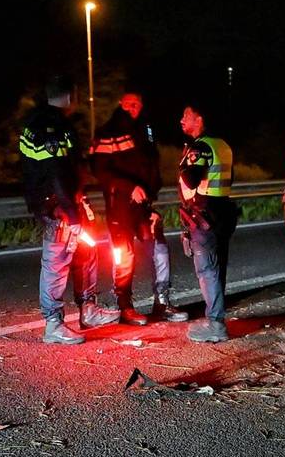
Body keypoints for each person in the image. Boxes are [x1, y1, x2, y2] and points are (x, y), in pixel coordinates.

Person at [20, 75, 120, 344]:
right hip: (57, 207)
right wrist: (69, 211)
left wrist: (79, 201)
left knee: (87, 251)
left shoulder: (45, 123)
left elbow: (67, 170)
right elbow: (55, 172)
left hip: (69, 201)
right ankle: (53, 324)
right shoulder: (50, 127)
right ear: (69, 97)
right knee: (57, 261)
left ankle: (88, 310)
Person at [92, 92, 189, 325]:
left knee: (160, 250)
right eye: (129, 104)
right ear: (120, 103)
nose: (133, 108)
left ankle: (162, 302)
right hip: (120, 206)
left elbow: (151, 165)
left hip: (145, 205)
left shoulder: (146, 129)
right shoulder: (107, 131)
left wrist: (151, 197)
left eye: (137, 104)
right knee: (124, 257)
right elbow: (101, 171)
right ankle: (125, 307)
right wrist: (129, 187)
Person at [178, 100, 238, 342]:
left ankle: (215, 323)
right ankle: (216, 316)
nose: (181, 120)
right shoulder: (222, 145)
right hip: (222, 210)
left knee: (206, 268)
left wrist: (184, 163)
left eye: (186, 115)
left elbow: (191, 181)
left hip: (204, 213)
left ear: (199, 119)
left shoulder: (199, 147)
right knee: (218, 265)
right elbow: (229, 178)